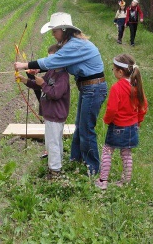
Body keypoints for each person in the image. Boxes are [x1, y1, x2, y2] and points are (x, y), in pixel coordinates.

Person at [14, 12, 107, 176]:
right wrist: (39, 69)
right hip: (88, 87)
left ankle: (92, 168)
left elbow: (55, 61)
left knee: (86, 129)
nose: (52, 33)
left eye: (55, 30)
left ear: (64, 29)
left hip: (94, 87)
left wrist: (24, 65)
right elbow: (58, 62)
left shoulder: (74, 45)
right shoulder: (70, 44)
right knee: (80, 127)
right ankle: (76, 160)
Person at [17, 43, 70, 179]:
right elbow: (39, 84)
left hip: (56, 115)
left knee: (53, 142)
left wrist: (43, 84)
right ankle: (56, 164)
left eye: (53, 59)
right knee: (51, 141)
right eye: (49, 59)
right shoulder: (51, 72)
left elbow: (55, 94)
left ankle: (55, 171)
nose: (50, 62)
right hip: (50, 114)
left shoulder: (63, 77)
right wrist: (25, 80)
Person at [95, 54, 148, 190]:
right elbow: (143, 107)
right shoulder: (137, 86)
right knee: (126, 153)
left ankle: (103, 181)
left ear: (120, 71)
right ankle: (125, 181)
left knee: (107, 151)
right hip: (133, 127)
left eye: (113, 69)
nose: (113, 72)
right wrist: (138, 122)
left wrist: (106, 120)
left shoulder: (117, 88)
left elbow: (112, 109)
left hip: (118, 127)